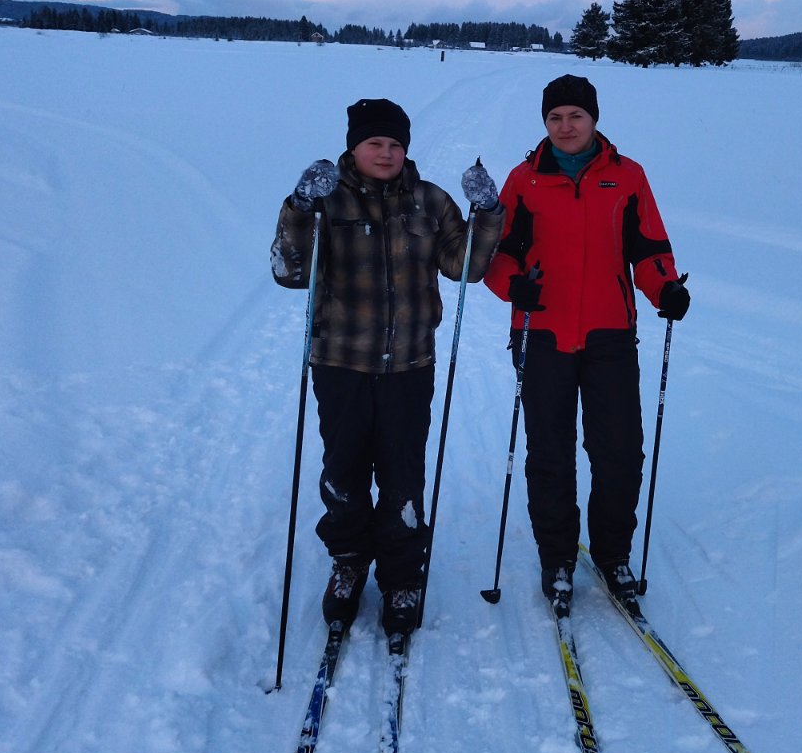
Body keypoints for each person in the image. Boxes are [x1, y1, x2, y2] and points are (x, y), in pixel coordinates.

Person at [271, 98, 504, 636]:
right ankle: (349, 562)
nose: (386, 153)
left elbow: (463, 266)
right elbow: (289, 270)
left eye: (396, 144)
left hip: (408, 365)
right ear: (353, 146)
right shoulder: (328, 201)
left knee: (402, 475)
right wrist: (301, 204)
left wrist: (487, 214)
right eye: (375, 143)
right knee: (345, 471)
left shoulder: (429, 200)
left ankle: (402, 573)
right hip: (340, 362)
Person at [484, 75, 689, 615]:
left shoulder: (626, 177)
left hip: (610, 334)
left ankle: (612, 553)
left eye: (575, 116)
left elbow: (648, 248)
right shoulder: (524, 180)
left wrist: (664, 287)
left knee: (619, 450)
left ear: (594, 119)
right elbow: (496, 254)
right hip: (542, 333)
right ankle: (557, 559)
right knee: (549, 453)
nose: (565, 126)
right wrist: (513, 286)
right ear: (544, 123)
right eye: (555, 118)